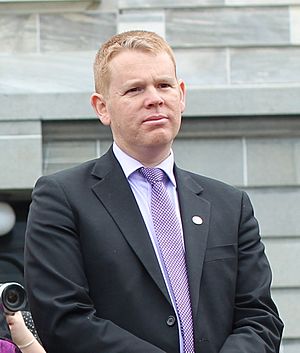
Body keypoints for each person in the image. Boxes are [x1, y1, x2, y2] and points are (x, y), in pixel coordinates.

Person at [24, 30, 283, 353]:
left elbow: (259, 318)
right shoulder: (61, 198)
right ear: (102, 107)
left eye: (164, 85)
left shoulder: (230, 204)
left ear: (182, 94)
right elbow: (62, 319)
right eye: (134, 89)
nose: (155, 98)